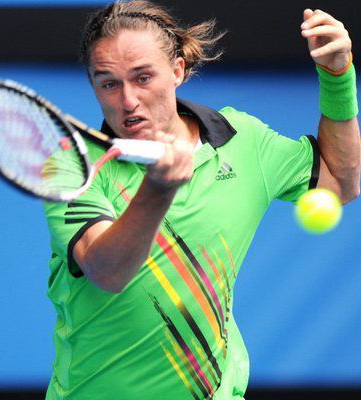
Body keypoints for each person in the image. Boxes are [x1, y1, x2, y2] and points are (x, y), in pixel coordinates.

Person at [44, 1, 360, 399]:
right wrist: (158, 190)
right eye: (109, 83)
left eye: (143, 78)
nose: (128, 100)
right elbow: (107, 272)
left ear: (177, 71)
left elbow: (340, 182)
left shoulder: (242, 142)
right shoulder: (73, 166)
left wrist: (337, 76)